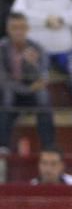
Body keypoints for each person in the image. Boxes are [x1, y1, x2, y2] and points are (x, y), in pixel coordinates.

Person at [13, 0, 72, 105]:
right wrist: (46, 20)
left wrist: (60, 19)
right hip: (36, 52)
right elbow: (19, 16)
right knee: (37, 81)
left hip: (66, 51)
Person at [0, 13, 54, 155]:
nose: (18, 32)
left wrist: (33, 65)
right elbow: (3, 81)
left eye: (22, 28)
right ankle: (3, 147)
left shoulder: (37, 48)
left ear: (28, 29)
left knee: (43, 96)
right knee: (7, 95)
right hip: (8, 95)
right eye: (14, 28)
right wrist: (28, 88)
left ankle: (48, 147)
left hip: (31, 96)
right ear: (7, 29)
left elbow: (43, 77)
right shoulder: (2, 48)